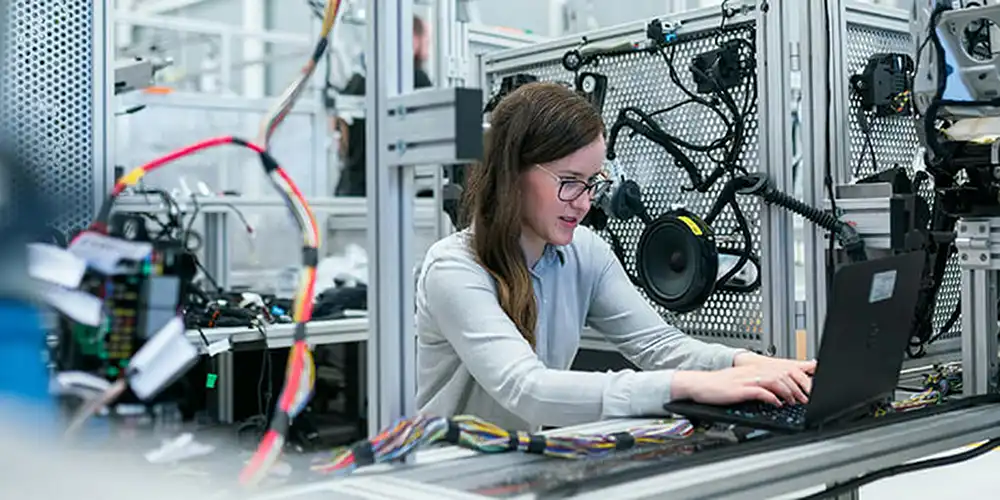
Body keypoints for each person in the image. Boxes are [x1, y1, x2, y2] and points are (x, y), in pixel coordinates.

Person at [414, 82, 816, 431]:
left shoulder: (584, 252)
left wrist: (749, 364)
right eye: (569, 182)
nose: (584, 203)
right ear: (513, 174)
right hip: (446, 473)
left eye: (592, 183)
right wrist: (689, 386)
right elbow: (527, 389)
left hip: (518, 464)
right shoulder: (455, 268)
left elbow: (658, 344)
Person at [334, 15, 434, 196]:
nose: (428, 47)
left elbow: (340, 136)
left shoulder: (357, 80)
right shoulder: (415, 78)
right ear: (412, 39)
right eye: (426, 40)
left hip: (351, 190)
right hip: (393, 192)